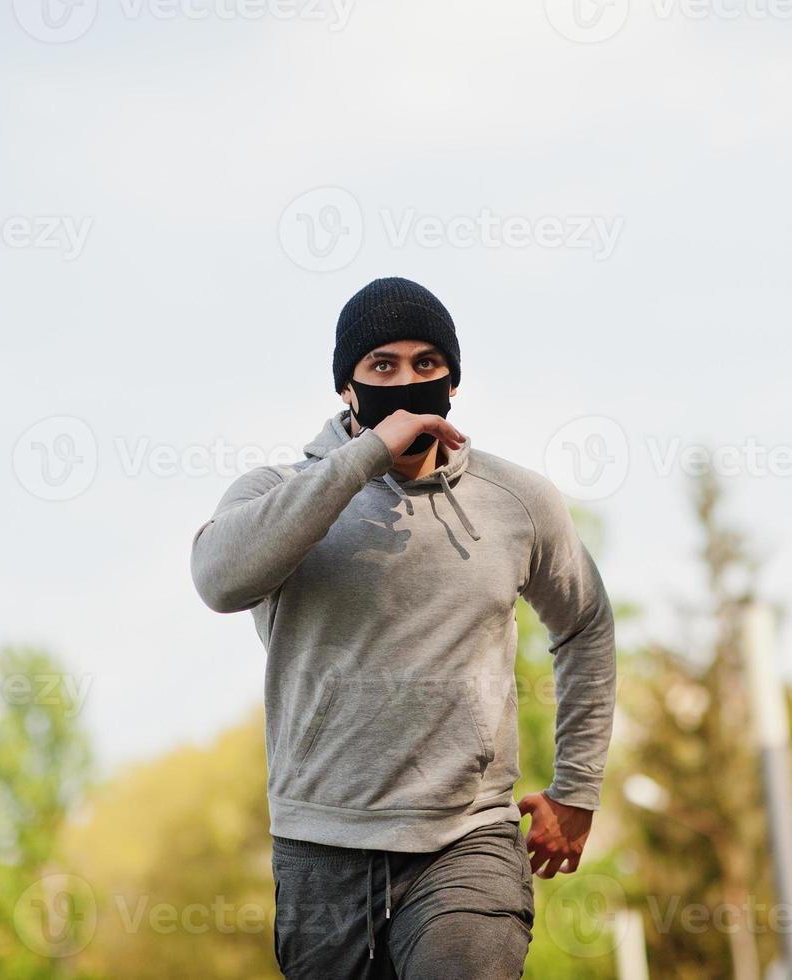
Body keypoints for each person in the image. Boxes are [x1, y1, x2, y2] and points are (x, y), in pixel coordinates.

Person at [190, 276, 617, 978]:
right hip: (320, 841)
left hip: (466, 835)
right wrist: (363, 459)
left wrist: (575, 788)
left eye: (426, 364)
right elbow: (218, 581)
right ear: (346, 389)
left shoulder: (516, 502)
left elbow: (585, 626)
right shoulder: (275, 494)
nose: (407, 380)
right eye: (381, 366)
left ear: (453, 381)